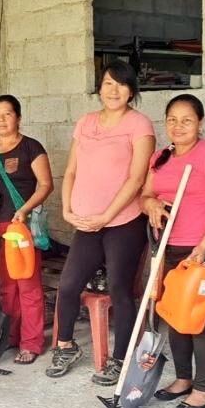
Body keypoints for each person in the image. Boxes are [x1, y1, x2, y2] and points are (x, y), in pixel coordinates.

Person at [46, 60, 155, 383]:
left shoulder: (139, 125)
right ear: (99, 87)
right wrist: (67, 210)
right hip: (86, 222)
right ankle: (66, 347)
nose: (114, 90)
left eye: (121, 84)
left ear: (131, 91)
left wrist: (106, 217)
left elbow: (137, 179)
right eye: (108, 83)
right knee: (68, 286)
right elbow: (71, 171)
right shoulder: (85, 122)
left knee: (120, 288)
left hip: (124, 221)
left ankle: (120, 359)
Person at [141, 94, 205, 408]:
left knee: (198, 319)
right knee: (174, 314)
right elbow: (145, 195)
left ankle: (204, 388)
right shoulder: (160, 157)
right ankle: (183, 378)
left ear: (200, 123)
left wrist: (202, 245)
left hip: (203, 251)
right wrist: (152, 204)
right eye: (172, 119)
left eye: (187, 120)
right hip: (168, 247)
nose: (178, 126)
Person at [0, 95, 53, 364]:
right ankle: (10, 335)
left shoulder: (31, 147)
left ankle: (31, 343)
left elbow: (46, 185)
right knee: (5, 287)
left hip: (21, 226)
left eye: (7, 113)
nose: (2, 119)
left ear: (18, 117)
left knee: (27, 286)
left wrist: (25, 209)